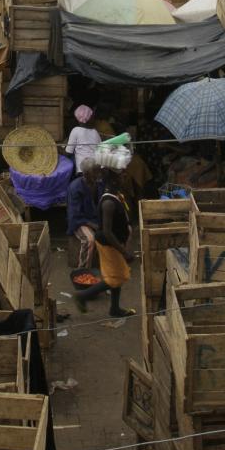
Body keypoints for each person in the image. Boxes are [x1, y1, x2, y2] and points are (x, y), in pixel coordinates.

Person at [73, 169, 134, 317]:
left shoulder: (115, 195)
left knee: (116, 276)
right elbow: (107, 232)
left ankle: (114, 309)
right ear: (114, 180)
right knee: (115, 277)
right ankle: (82, 296)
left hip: (114, 242)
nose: (124, 176)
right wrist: (123, 251)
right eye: (121, 175)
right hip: (109, 244)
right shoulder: (108, 203)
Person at [66, 160, 102, 270]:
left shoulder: (98, 184)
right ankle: (83, 271)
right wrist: (91, 224)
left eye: (98, 172)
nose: (98, 175)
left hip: (94, 218)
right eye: (95, 173)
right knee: (89, 240)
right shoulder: (75, 188)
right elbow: (75, 214)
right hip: (79, 221)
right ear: (86, 174)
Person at [65, 104, 102, 171]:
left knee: (68, 159)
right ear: (90, 118)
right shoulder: (95, 132)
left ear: (77, 119)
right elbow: (100, 149)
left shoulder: (75, 130)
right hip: (96, 168)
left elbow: (68, 152)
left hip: (82, 170)